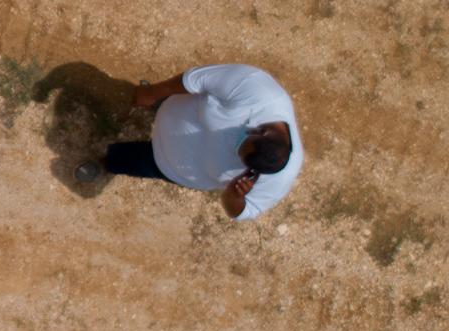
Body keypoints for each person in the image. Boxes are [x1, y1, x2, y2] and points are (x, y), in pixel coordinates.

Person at [79, 64, 302, 221]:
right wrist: (153, 92)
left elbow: (243, 212)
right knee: (160, 97)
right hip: (175, 111)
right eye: (243, 142)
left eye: (240, 158)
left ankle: (106, 163)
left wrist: (234, 197)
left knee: (132, 162)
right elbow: (197, 79)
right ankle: (156, 105)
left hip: (167, 164)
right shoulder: (259, 92)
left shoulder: (280, 178)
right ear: (261, 130)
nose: (235, 149)